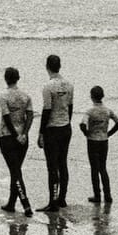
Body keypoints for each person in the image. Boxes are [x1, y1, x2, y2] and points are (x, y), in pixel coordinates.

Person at [37, 53, 75, 211]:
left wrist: (40, 133)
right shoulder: (69, 85)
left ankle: (53, 202)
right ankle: (62, 198)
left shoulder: (48, 87)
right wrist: (67, 122)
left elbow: (46, 110)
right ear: (60, 66)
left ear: (47, 67)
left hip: (52, 129)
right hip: (65, 127)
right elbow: (70, 107)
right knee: (63, 163)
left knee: (52, 167)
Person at [0, 65, 34, 216]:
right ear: (18, 78)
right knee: (16, 170)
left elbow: (6, 118)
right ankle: (12, 203)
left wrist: (15, 135)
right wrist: (24, 134)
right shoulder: (26, 96)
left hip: (7, 137)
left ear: (6, 79)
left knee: (15, 172)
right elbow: (30, 116)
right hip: (23, 139)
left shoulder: (3, 96)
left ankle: (26, 204)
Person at [79, 84, 118, 203]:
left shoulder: (90, 111)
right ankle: (108, 195)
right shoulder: (107, 110)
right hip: (104, 140)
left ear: (91, 97)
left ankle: (97, 195)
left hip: (92, 141)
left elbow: (82, 124)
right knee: (103, 168)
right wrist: (109, 133)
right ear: (102, 96)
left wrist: (86, 133)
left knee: (94, 169)